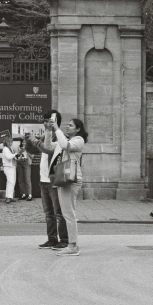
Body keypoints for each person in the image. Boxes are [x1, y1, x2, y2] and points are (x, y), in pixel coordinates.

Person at [25, 109, 68, 250]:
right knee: (48, 213)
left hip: (54, 180)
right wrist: (28, 141)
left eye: (47, 120)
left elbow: (47, 149)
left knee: (58, 213)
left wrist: (36, 141)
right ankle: (52, 239)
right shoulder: (46, 135)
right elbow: (32, 150)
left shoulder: (59, 137)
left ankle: (64, 239)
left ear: (55, 122)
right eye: (44, 120)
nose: (44, 123)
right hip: (43, 180)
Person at [48, 117, 87, 257]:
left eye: (71, 125)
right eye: (67, 125)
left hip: (71, 179)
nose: (67, 127)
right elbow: (48, 147)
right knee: (66, 213)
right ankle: (71, 244)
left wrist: (57, 128)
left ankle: (73, 246)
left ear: (78, 129)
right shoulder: (66, 139)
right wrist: (49, 131)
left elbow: (64, 145)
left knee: (69, 213)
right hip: (64, 178)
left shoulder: (78, 140)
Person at [1, 136, 18, 204]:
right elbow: (8, 157)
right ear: (7, 142)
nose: (12, 143)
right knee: (10, 182)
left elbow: (13, 157)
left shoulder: (10, 148)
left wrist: (16, 157)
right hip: (8, 167)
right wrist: (15, 154)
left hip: (12, 166)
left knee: (12, 182)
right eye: (10, 141)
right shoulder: (5, 149)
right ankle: (8, 197)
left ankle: (10, 197)